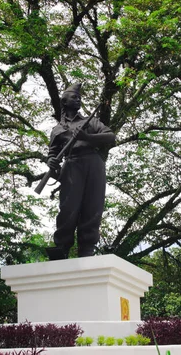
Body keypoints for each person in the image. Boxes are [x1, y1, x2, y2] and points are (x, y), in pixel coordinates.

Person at [46, 83, 116, 259]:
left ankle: (87, 248)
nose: (78, 100)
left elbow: (110, 136)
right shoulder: (57, 130)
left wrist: (88, 137)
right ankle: (62, 246)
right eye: (74, 97)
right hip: (71, 166)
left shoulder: (89, 122)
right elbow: (53, 153)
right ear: (64, 101)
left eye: (79, 98)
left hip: (94, 163)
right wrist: (52, 162)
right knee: (68, 207)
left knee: (93, 207)